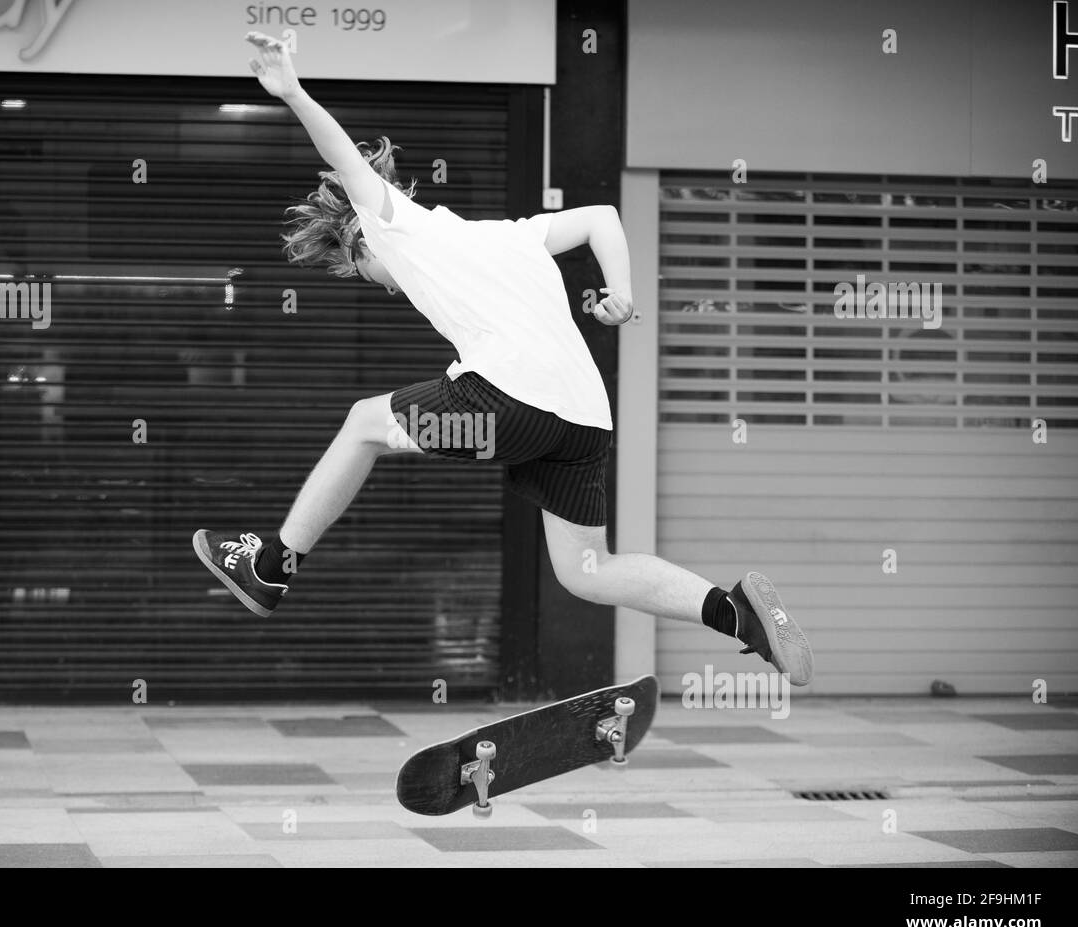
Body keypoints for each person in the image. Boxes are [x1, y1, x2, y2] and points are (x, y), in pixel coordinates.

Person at [193, 32, 813, 687]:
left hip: (501, 411)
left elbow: (343, 158)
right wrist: (622, 296)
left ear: (357, 241)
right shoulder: (507, 237)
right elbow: (602, 217)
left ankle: (271, 566)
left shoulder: (387, 222)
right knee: (586, 570)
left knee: (363, 423)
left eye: (358, 270)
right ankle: (733, 610)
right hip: (580, 426)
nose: (374, 280)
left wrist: (292, 91)